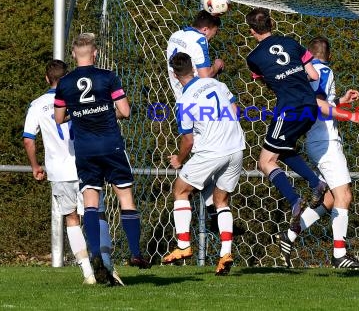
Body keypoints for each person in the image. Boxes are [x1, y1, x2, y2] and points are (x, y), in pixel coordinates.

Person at [54, 32, 151, 284]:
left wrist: (80, 114)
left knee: (90, 203)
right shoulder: (107, 76)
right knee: (125, 197)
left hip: (85, 150)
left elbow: (58, 119)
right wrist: (105, 112)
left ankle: (95, 254)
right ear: (95, 53)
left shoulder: (64, 83)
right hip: (111, 145)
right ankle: (135, 253)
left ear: (74, 55)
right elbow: (125, 111)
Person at [23, 60, 123, 286]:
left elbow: (28, 139)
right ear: (68, 77)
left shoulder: (37, 105)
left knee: (71, 218)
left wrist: (35, 166)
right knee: (97, 214)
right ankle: (107, 265)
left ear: (47, 79)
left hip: (59, 171)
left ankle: (88, 272)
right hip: (87, 164)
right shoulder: (80, 97)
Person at [277, 37, 359, 269]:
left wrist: (341, 102)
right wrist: (350, 115)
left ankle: (290, 235)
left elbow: (321, 104)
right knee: (344, 195)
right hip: (325, 140)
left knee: (329, 198)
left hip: (314, 138)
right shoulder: (324, 70)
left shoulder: (304, 71)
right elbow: (318, 104)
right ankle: (339, 255)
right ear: (330, 55)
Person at [162, 52, 245, 275]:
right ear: (194, 68)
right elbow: (235, 111)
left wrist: (179, 160)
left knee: (180, 190)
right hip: (236, 147)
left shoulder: (184, 101)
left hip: (212, 150)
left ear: (174, 74)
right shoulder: (215, 83)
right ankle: (225, 253)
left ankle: (183, 245)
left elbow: (187, 140)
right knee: (221, 200)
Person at [245, 7, 327, 233]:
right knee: (282, 149)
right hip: (310, 106)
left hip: (288, 109)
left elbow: (268, 83)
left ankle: (294, 200)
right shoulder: (292, 43)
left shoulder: (253, 59)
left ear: (252, 31)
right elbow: (314, 75)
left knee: (265, 162)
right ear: (271, 24)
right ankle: (316, 183)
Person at [166, 10, 241, 236]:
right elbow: (207, 77)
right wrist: (217, 65)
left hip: (185, 103)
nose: (211, 39)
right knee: (193, 177)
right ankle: (187, 240)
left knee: (204, 168)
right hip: (200, 109)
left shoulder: (175, 36)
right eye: (213, 34)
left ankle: (212, 217)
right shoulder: (199, 40)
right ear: (206, 29)